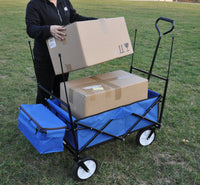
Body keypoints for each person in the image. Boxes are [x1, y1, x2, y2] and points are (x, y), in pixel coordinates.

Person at [25, 0, 97, 105]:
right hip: (45, 57)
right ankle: (40, 119)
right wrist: (49, 30)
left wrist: (95, 21)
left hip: (63, 55)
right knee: (44, 92)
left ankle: (58, 116)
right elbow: (31, 29)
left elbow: (74, 18)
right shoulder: (34, 4)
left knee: (61, 90)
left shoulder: (64, 2)